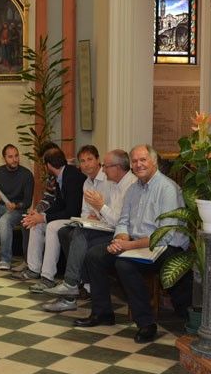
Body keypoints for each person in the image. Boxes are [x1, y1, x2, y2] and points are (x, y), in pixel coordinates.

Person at [74, 145, 189, 344]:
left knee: (124, 264)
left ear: (154, 162)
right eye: (135, 161)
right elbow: (123, 221)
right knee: (94, 255)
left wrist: (128, 246)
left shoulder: (167, 189)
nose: (138, 164)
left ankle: (146, 323)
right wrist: (120, 239)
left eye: (143, 160)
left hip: (166, 247)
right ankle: (103, 313)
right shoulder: (133, 189)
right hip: (136, 243)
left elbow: (164, 235)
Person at [42, 149, 137, 312]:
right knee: (69, 232)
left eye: (105, 166)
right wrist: (96, 214)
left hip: (122, 234)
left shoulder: (127, 184)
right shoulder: (114, 183)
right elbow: (88, 212)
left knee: (80, 235)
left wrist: (100, 207)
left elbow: (118, 221)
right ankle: (75, 286)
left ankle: (72, 286)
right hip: (109, 227)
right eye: (82, 161)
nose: (103, 169)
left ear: (117, 167)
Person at [14, 148, 86, 287]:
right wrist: (41, 215)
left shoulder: (72, 177)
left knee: (51, 227)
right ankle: (33, 269)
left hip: (77, 218)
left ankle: (47, 277)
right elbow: (58, 203)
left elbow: (72, 211)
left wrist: (45, 219)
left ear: (48, 165)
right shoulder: (61, 175)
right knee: (35, 223)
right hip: (68, 215)